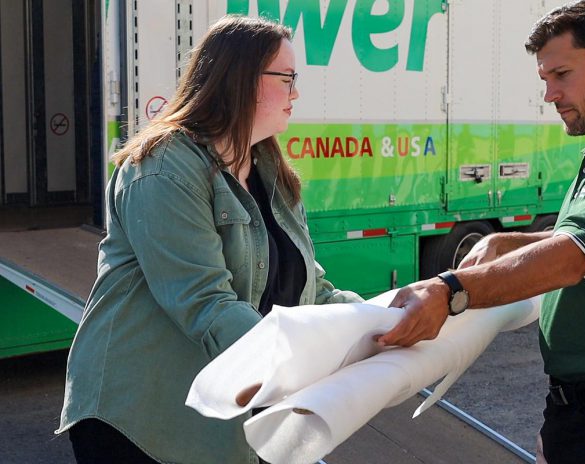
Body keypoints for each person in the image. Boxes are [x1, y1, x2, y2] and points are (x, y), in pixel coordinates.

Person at [377, 1, 585, 462]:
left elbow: (572, 256)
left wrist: (450, 291)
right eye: (544, 80)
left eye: (562, 74)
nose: (550, 95)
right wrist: (508, 241)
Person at [57, 15, 362, 464]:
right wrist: (310, 359)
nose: (296, 92)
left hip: (222, 425)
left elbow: (311, 290)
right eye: (287, 77)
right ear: (241, 80)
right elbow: (207, 305)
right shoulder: (161, 168)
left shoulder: (270, 170)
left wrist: (381, 318)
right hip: (139, 422)